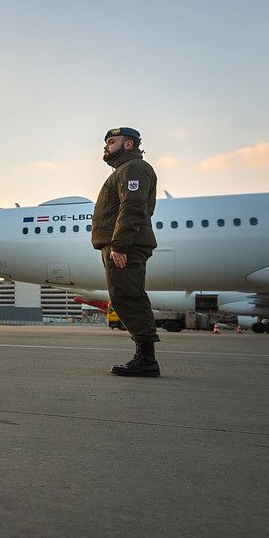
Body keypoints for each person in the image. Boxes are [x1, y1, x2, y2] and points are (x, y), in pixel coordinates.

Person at [93, 126, 161, 377]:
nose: (106, 146)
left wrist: (120, 245)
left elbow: (133, 206)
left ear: (129, 144)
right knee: (124, 296)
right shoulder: (124, 170)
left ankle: (146, 359)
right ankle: (145, 357)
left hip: (125, 245)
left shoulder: (133, 169)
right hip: (122, 243)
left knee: (128, 296)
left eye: (112, 141)